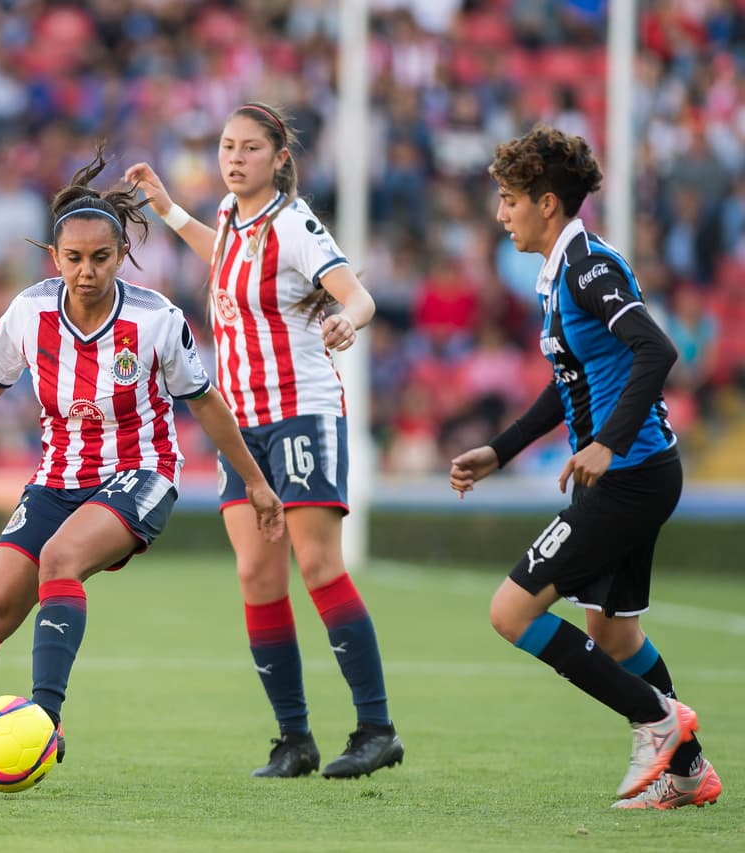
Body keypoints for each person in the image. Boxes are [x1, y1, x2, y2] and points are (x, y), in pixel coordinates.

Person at [0, 150, 285, 791]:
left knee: (60, 558)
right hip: (57, 478)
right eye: (74, 258)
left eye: (100, 258)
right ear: (55, 258)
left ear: (121, 256)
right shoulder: (29, 311)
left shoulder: (156, 320)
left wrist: (256, 482)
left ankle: (45, 721)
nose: (86, 271)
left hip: (140, 474)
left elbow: (205, 403)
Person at [125, 102, 404, 779]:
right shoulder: (229, 214)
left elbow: (355, 292)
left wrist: (349, 318)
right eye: (227, 146)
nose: (235, 157)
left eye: (250, 148)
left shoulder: (295, 223)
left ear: (280, 157)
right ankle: (294, 738)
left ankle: (375, 727)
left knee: (317, 565)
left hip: (302, 410)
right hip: (240, 420)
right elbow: (224, 260)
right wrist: (166, 207)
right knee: (256, 572)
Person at [449, 124, 719, 809]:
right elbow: (567, 381)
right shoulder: (559, 272)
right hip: (638, 473)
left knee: (510, 611)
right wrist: (501, 450)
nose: (501, 212)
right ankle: (689, 771)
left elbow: (655, 351)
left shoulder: (587, 266)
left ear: (546, 203)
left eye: (509, 199)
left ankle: (657, 720)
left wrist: (605, 442)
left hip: (627, 477)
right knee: (614, 631)